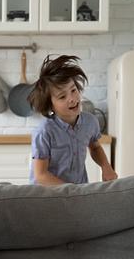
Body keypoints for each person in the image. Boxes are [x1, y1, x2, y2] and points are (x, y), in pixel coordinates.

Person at [27, 54, 117, 185]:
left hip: (77, 192)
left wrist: (106, 167)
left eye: (73, 90)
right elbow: (41, 175)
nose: (72, 98)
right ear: (50, 104)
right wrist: (70, 191)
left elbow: (95, 147)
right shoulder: (44, 132)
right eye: (62, 97)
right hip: (47, 196)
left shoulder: (90, 122)